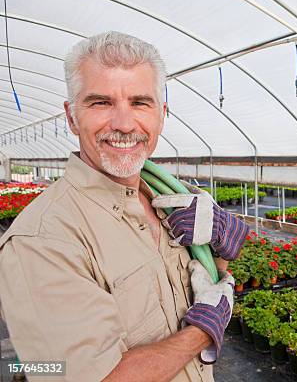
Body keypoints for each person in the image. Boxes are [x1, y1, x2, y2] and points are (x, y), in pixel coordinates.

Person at [0, 31, 249, 382]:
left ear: (161, 115)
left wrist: (220, 242)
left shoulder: (167, 198)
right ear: (72, 117)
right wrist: (202, 332)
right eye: (100, 103)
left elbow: (211, 273)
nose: (124, 124)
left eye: (139, 102)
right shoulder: (42, 241)